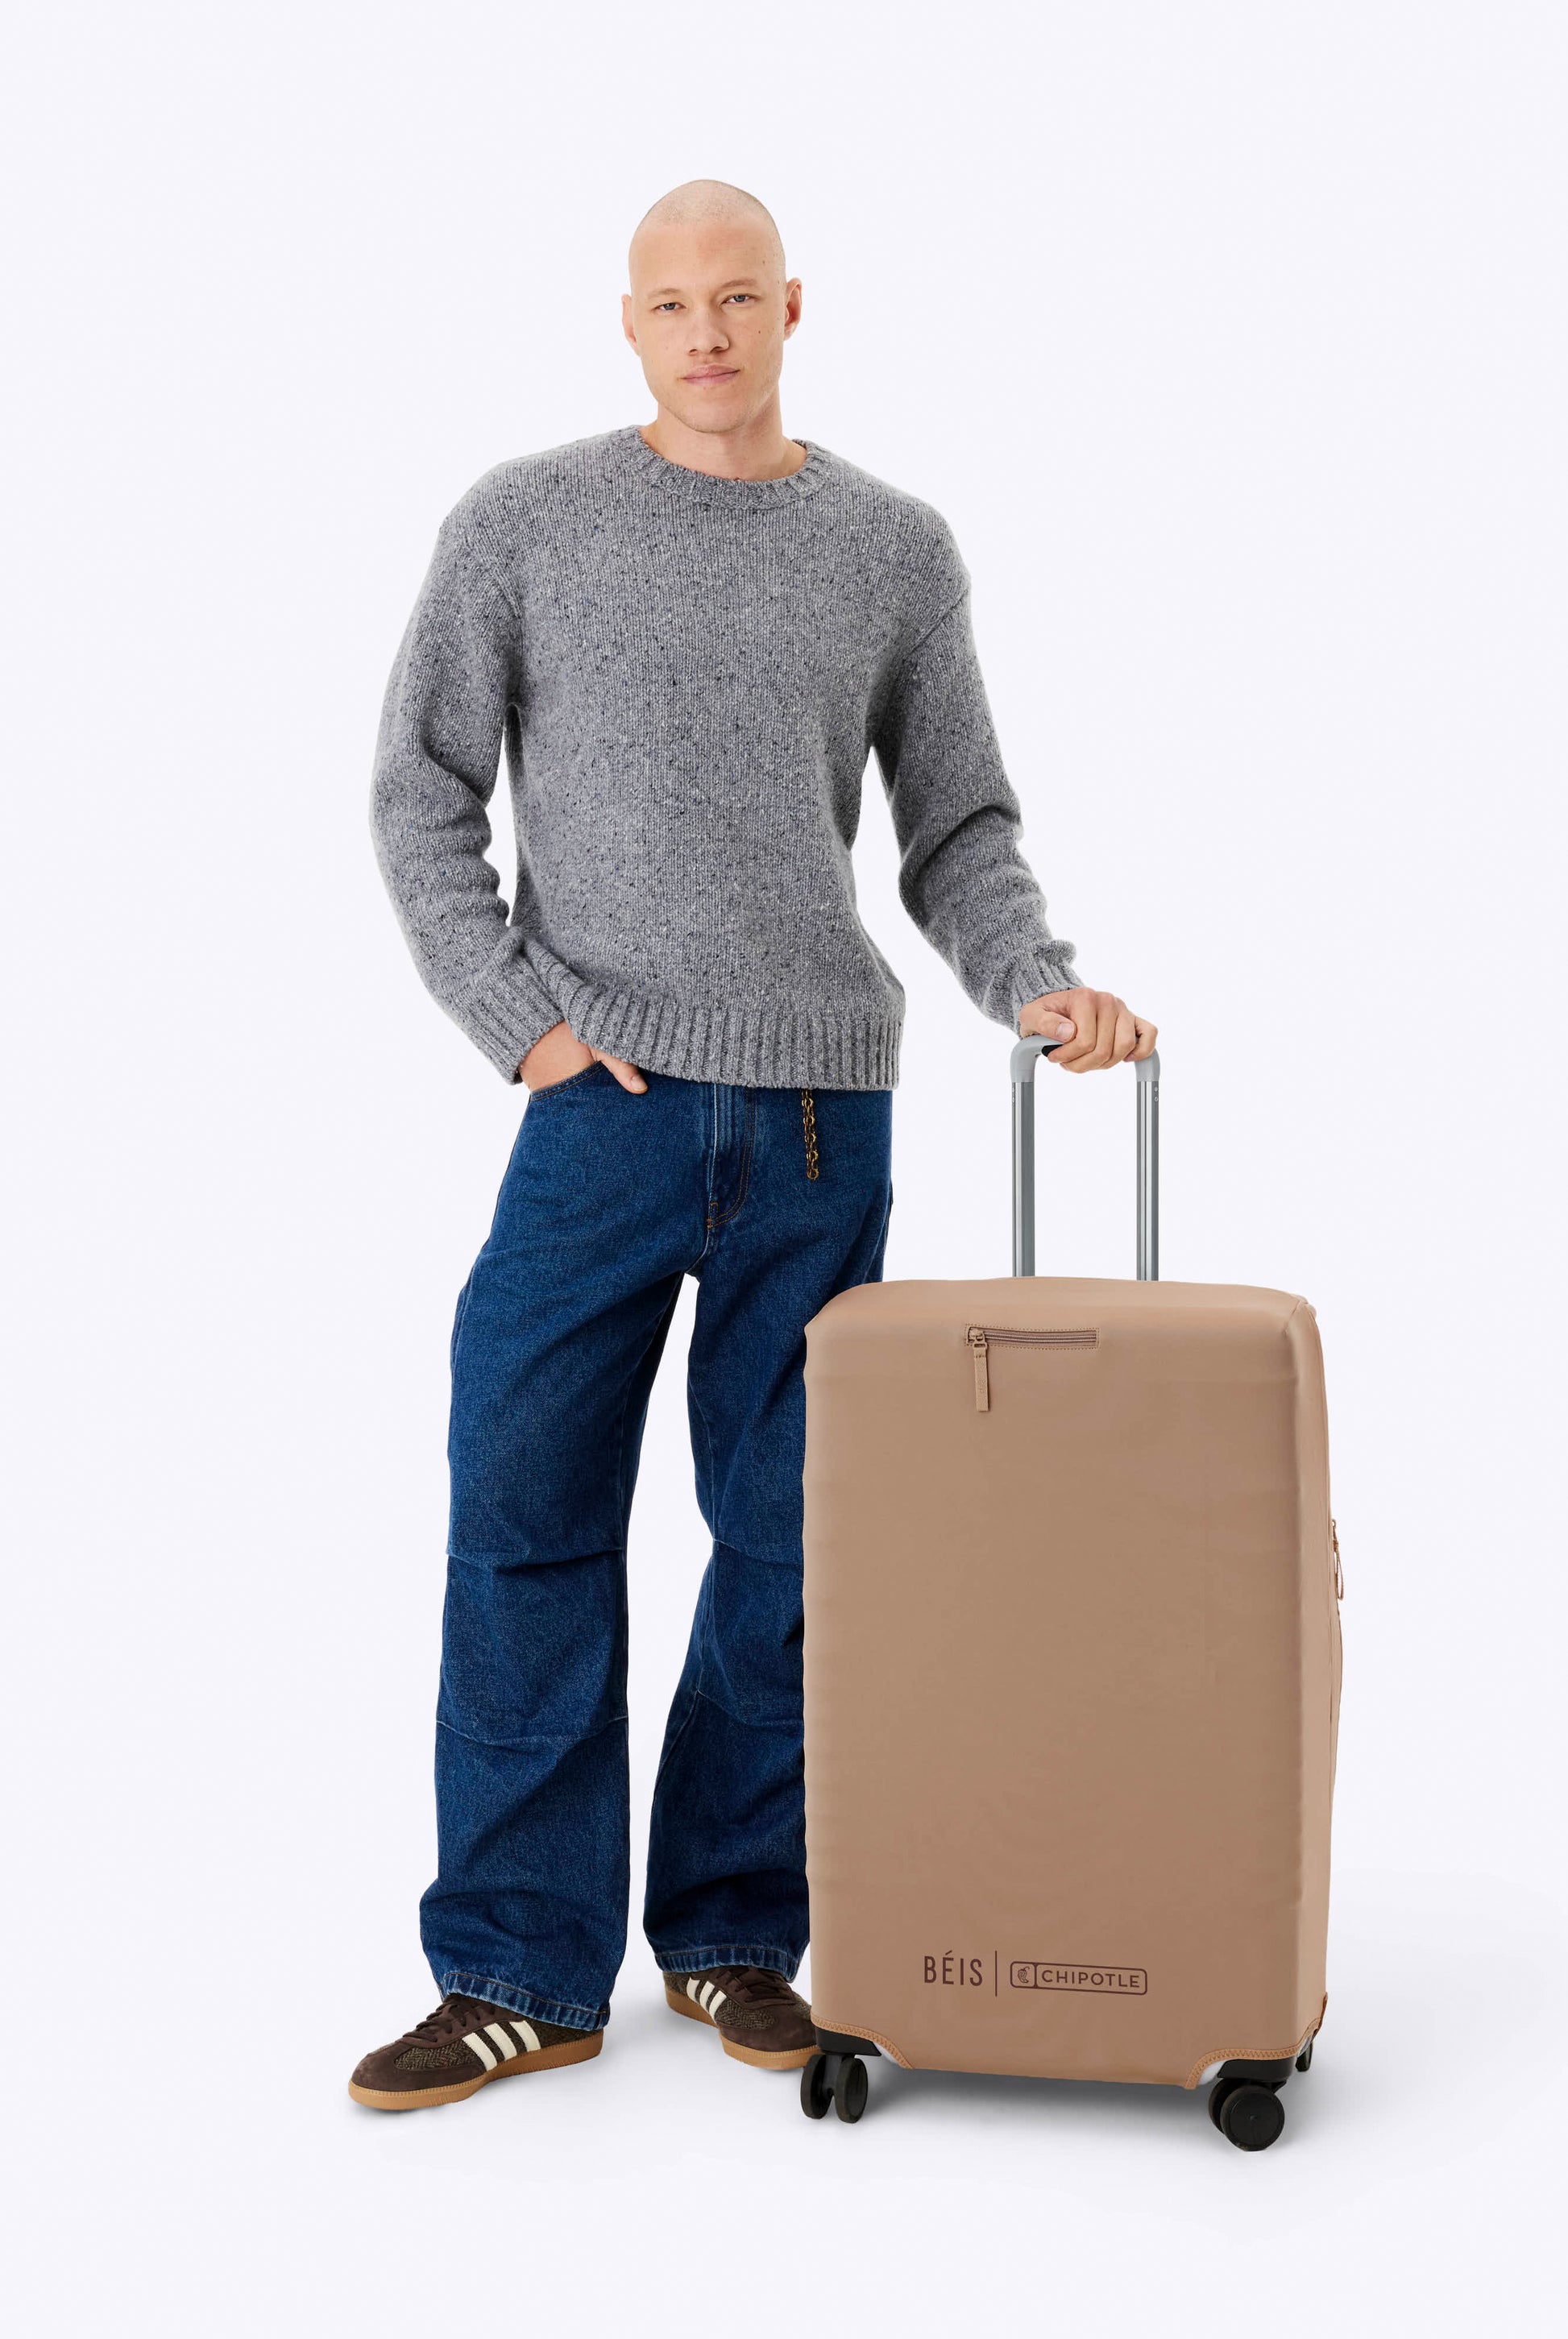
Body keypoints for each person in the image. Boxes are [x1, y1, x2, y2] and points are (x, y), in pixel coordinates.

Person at [351, 178, 1155, 2113]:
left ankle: (731, 1930)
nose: (704, 331)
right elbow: (419, 790)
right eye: (669, 303)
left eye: (736, 297)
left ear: (792, 308)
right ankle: (520, 1970)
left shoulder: (890, 546)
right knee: (524, 1512)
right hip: (599, 1110)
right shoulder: (523, 522)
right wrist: (525, 1023)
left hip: (816, 1119)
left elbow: (956, 824)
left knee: (792, 1538)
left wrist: (1036, 982)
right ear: (627, 323)